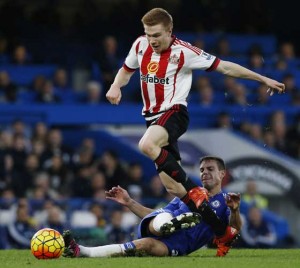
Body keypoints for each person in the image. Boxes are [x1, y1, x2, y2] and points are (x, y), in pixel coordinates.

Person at [105, 7, 284, 255]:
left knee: (146, 146)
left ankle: (195, 190)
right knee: (174, 190)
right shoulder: (140, 46)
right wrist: (115, 87)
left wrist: (262, 79)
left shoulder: (184, 52)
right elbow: (126, 71)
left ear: (169, 31)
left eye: (157, 35)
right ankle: (222, 233)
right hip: (153, 119)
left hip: (175, 114)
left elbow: (226, 67)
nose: (152, 40)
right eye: (148, 35)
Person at [63, 156, 242, 257]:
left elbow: (232, 232)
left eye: (210, 169)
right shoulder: (189, 194)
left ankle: (82, 251)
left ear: (222, 173)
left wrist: (235, 210)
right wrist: (129, 202)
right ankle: (81, 251)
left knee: (145, 243)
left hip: (179, 243)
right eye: (202, 170)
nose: (205, 173)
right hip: (162, 226)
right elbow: (157, 213)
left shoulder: (226, 200)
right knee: (161, 219)